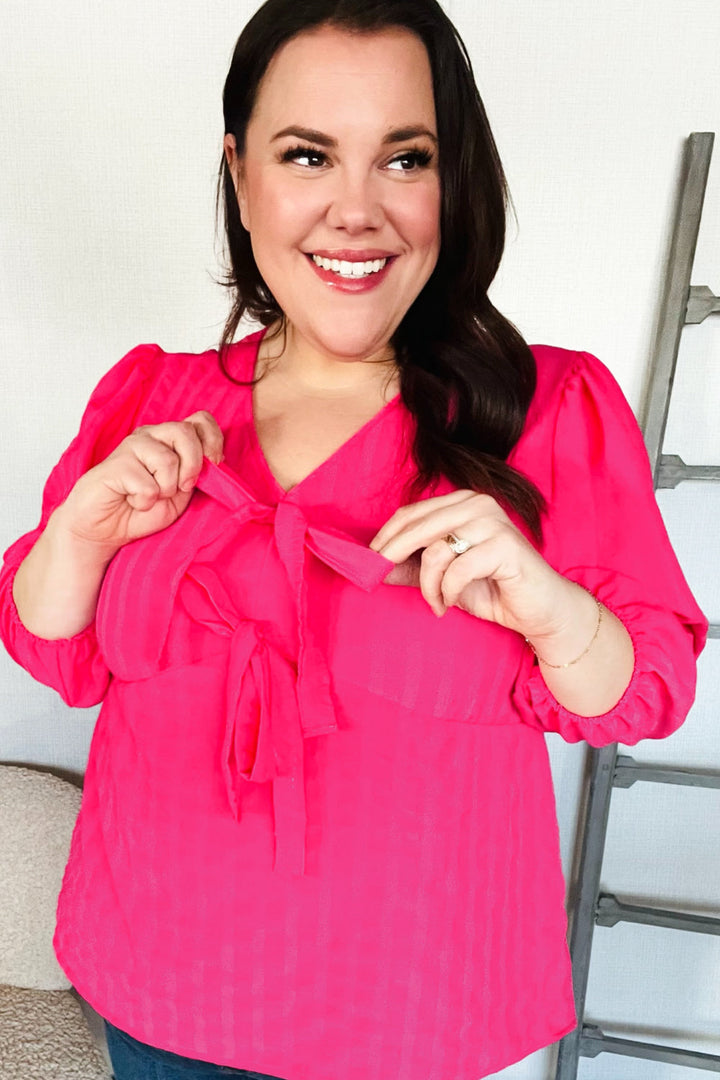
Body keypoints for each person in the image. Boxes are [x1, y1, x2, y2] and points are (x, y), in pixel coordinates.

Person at [0, 0, 708, 1077]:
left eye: (404, 158)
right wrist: (83, 535)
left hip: (407, 1015)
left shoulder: (551, 409)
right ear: (241, 176)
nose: (356, 209)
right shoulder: (153, 397)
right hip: (157, 979)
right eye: (308, 155)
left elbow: (640, 692)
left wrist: (552, 607)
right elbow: (54, 647)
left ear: (451, 181)